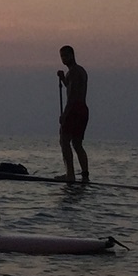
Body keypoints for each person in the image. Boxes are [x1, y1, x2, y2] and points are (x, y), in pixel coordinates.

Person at [56, 45, 90, 182]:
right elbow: (71, 87)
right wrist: (63, 78)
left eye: (66, 55)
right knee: (76, 143)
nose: (64, 59)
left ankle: (70, 174)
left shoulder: (74, 72)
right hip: (83, 109)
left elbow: (72, 95)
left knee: (64, 140)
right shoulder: (79, 71)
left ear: (72, 55)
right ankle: (85, 175)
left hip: (75, 109)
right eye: (62, 56)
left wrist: (65, 114)